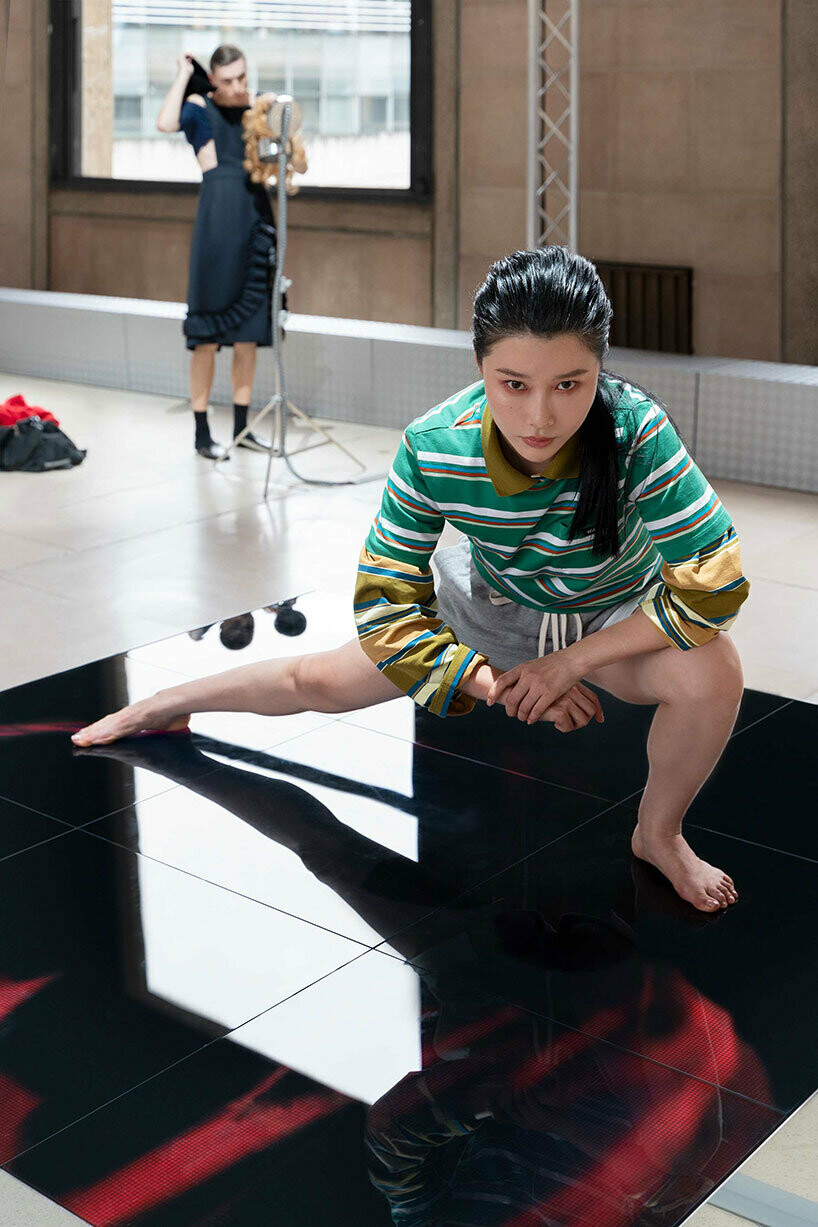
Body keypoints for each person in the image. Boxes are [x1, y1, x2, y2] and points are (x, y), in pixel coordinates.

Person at [71, 246, 750, 914]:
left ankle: (658, 834)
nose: (540, 417)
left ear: (599, 367)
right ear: (480, 367)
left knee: (713, 672)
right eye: (513, 384)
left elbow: (714, 583)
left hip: (610, 616)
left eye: (569, 385)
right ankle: (166, 701)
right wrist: (496, 684)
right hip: (489, 606)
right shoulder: (435, 445)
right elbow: (386, 609)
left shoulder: (636, 433)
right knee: (317, 684)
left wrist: (569, 664)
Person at [156, 45, 307, 459]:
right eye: (228, 80)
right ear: (213, 80)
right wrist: (183, 74)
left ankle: (243, 429)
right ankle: (202, 433)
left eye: (242, 77)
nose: (238, 86)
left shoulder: (259, 111)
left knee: (248, 337)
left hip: (255, 220)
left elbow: (296, 162)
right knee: (205, 337)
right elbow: (165, 122)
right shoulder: (199, 108)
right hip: (216, 225)